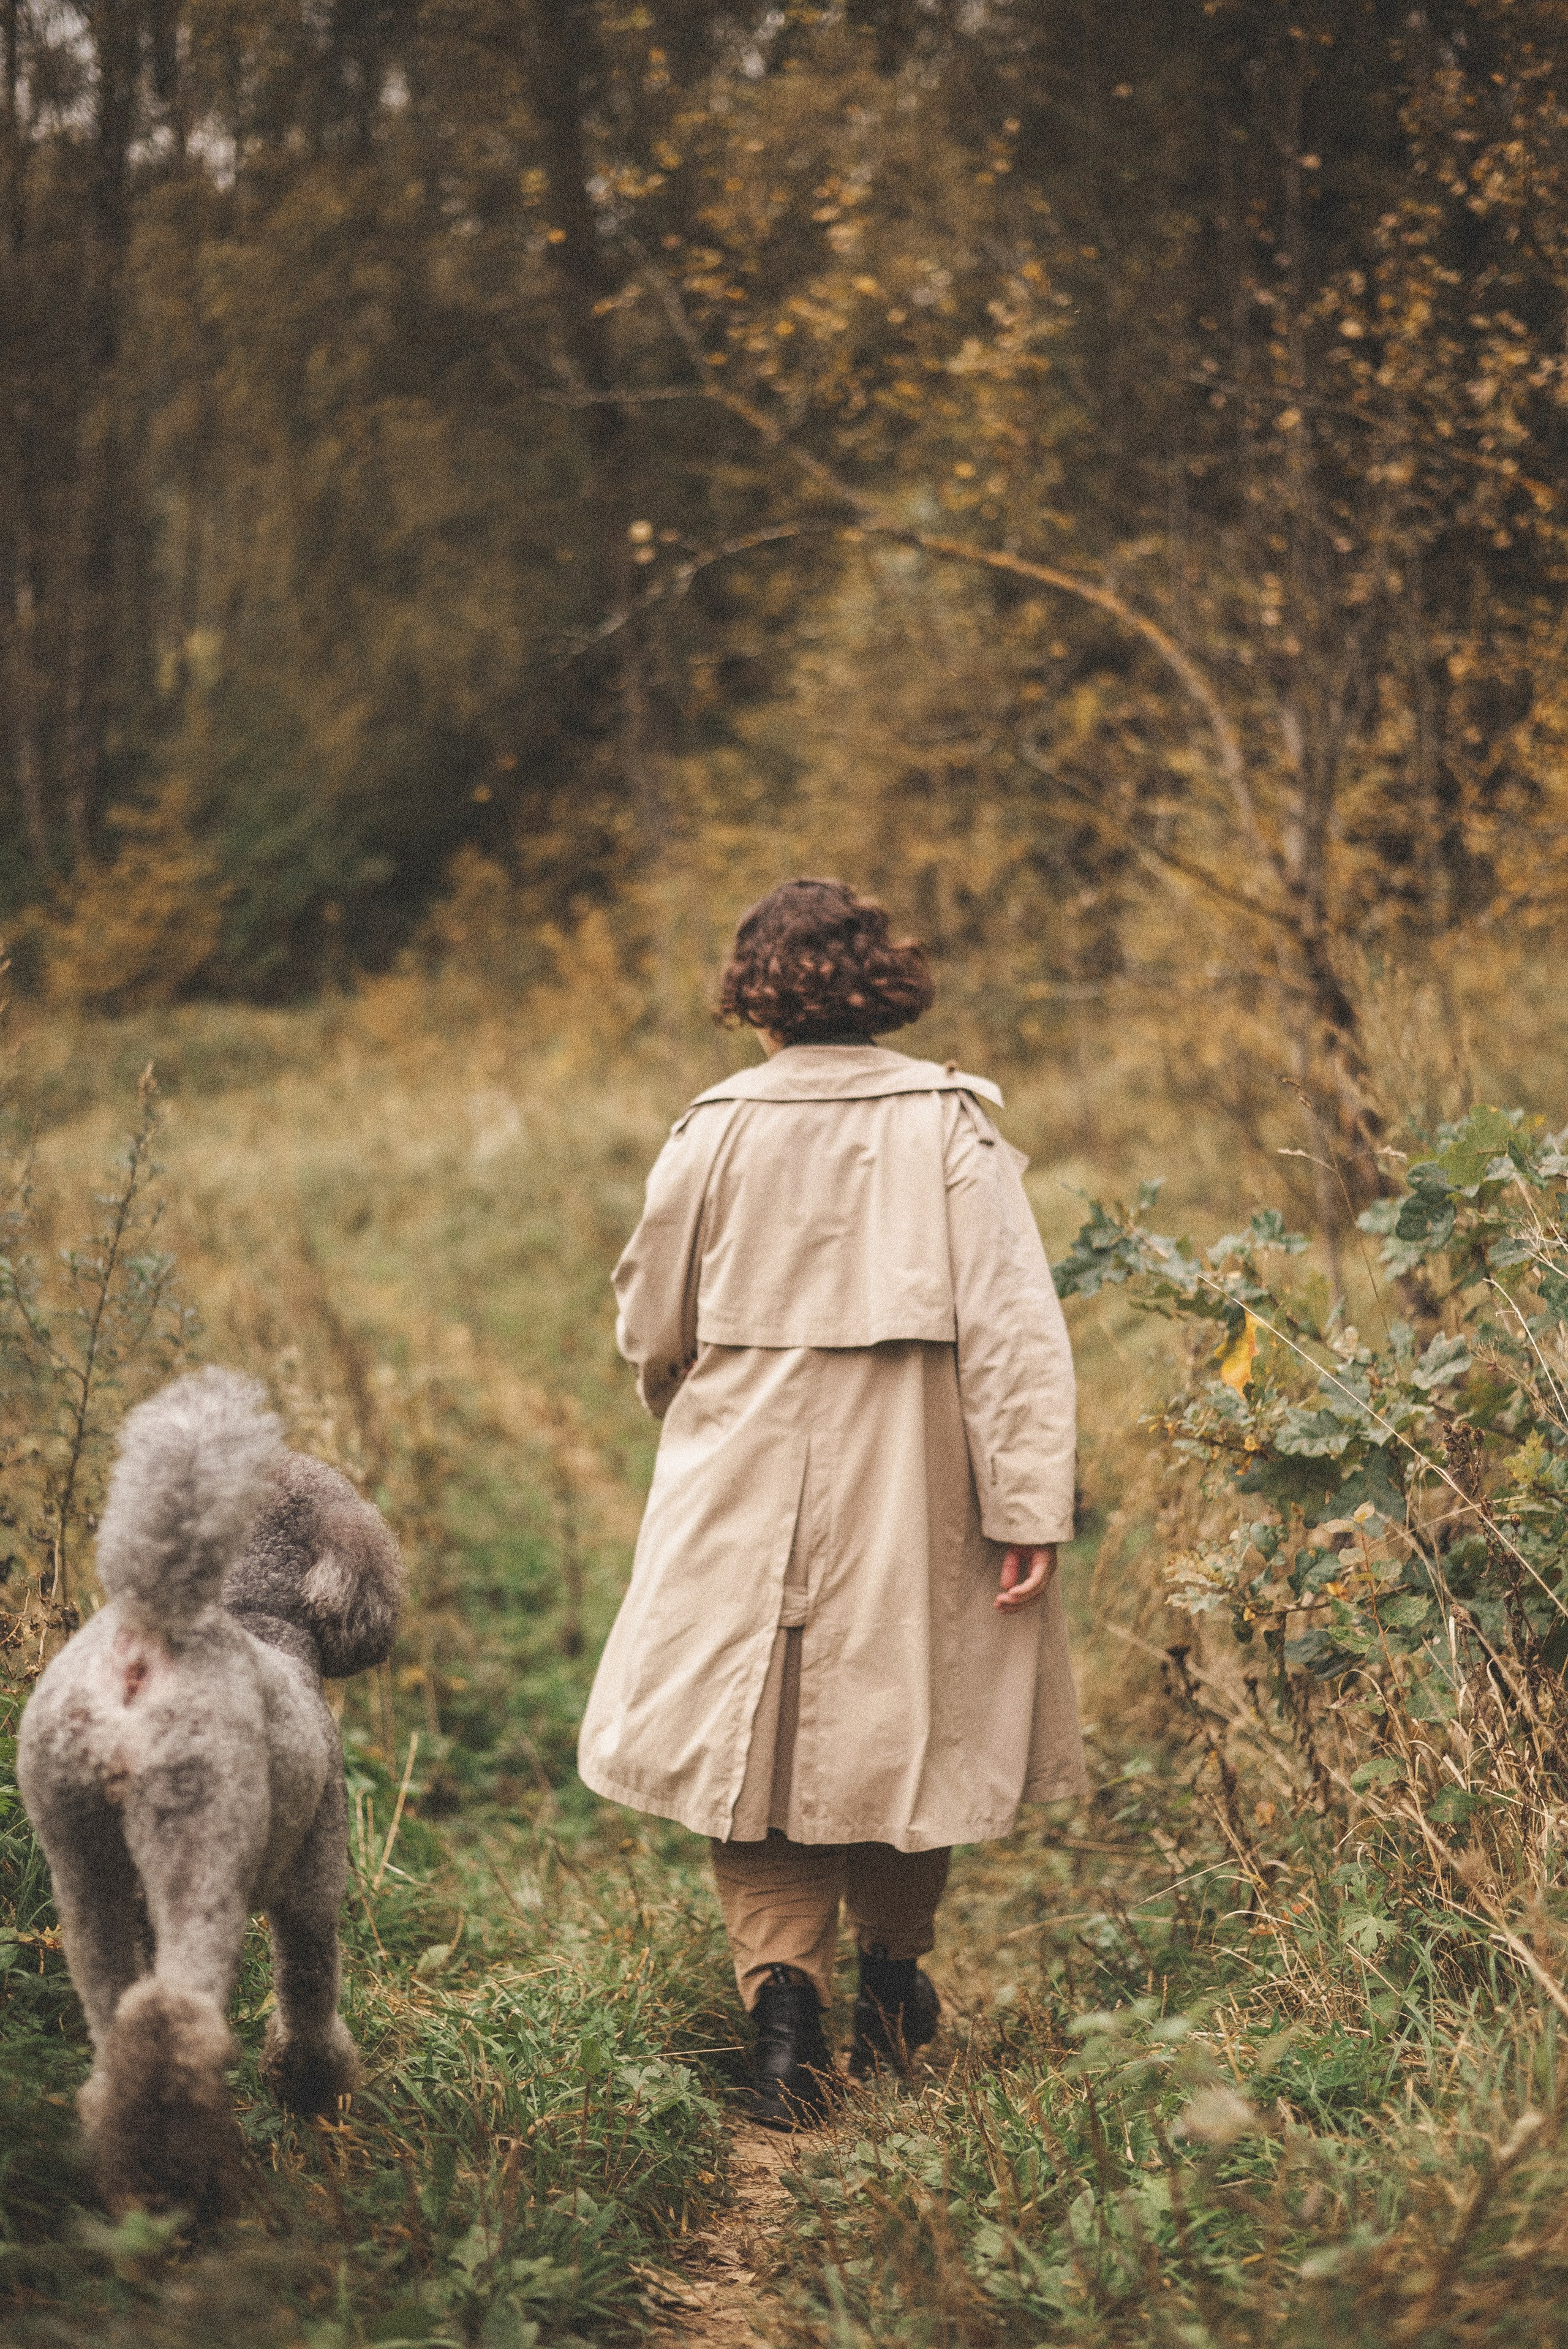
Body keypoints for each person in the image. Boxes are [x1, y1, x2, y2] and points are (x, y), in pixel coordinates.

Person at [577, 877, 1084, 2127]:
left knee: (750, 1734)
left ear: (754, 995)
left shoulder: (712, 1130)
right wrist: (1024, 1504)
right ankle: (892, 1978)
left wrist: (690, 1408)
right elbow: (1015, 1328)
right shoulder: (949, 1125)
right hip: (917, 1471)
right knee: (909, 1704)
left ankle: (782, 2021)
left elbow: (651, 1323)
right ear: (881, 983)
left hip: (739, 1461)